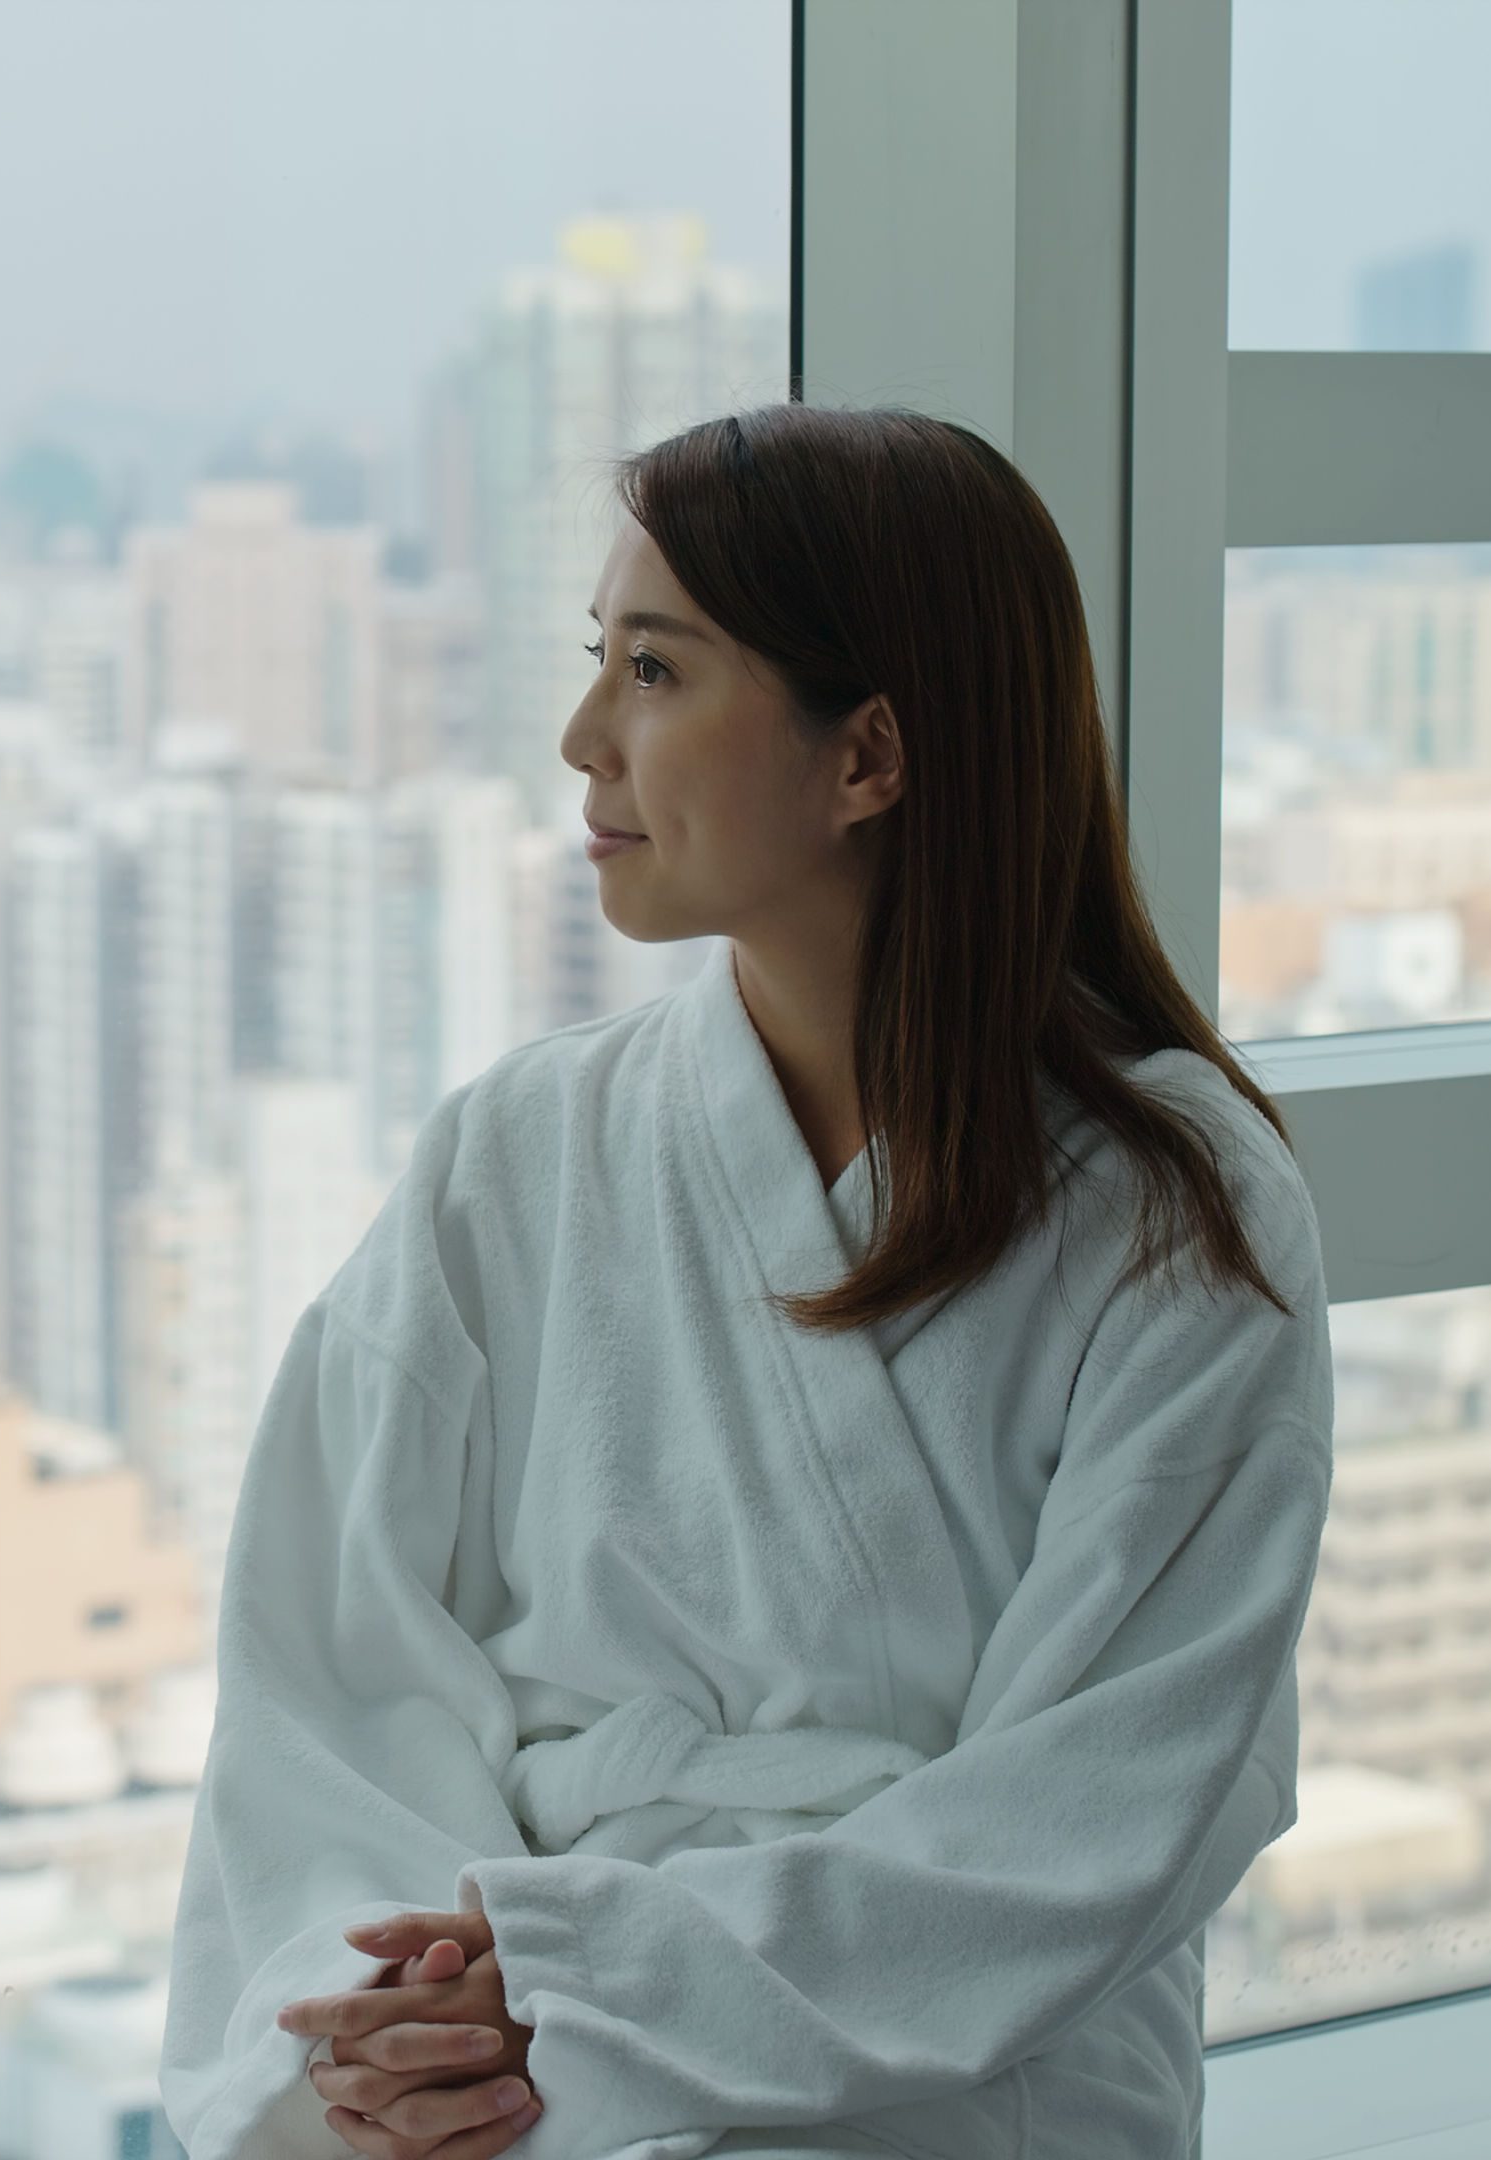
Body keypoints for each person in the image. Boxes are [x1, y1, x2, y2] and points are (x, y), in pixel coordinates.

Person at [158, 404, 1332, 2160]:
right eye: (598, 664)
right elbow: (325, 1686)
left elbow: (1105, 1805)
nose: (580, 741)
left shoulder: (1186, 1211)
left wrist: (578, 2000)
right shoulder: (517, 1154)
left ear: (867, 755)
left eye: (653, 671)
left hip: (969, 2080)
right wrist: (409, 2026)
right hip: (503, 2076)